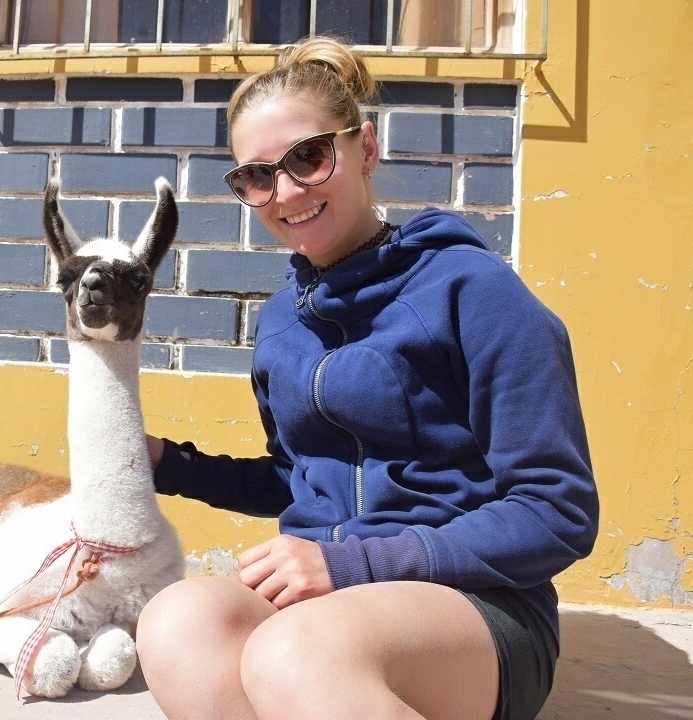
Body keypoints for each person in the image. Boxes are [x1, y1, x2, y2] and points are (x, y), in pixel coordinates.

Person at [135, 36, 598, 720]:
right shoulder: (281, 325)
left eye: (309, 157)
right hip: (324, 604)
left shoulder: (473, 291)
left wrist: (351, 565)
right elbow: (301, 479)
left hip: (473, 605)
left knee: (294, 654)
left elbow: (558, 510)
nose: (286, 192)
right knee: (176, 622)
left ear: (365, 149)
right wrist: (169, 465)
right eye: (258, 176)